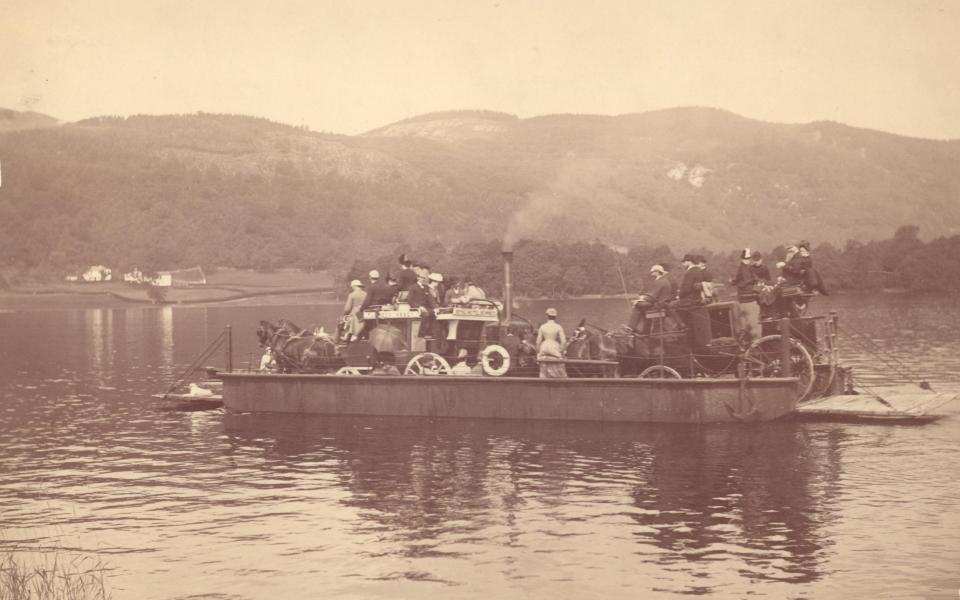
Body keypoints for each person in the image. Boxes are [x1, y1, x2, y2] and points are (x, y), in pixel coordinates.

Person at [626, 264, 673, 333]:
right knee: (642, 306)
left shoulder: (660, 281)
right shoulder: (664, 280)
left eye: (652, 272)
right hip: (662, 304)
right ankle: (645, 331)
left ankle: (631, 327)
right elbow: (653, 295)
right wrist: (643, 299)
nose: (651, 273)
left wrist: (640, 299)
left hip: (658, 306)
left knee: (638, 306)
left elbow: (652, 297)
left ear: (657, 272)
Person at [731, 248, 761, 341]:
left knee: (745, 325)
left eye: (748, 259)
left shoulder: (745, 268)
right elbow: (745, 281)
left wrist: (733, 282)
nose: (747, 260)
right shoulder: (744, 269)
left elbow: (737, 281)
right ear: (742, 259)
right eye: (746, 259)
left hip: (743, 299)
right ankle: (755, 345)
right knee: (753, 327)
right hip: (748, 299)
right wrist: (754, 280)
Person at [536, 307, 567, 378]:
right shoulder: (558, 327)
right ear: (555, 317)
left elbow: (538, 342)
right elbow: (564, 341)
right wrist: (561, 350)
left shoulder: (542, 327)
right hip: (554, 347)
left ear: (546, 316)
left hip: (544, 347)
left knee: (543, 371)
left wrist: (538, 353)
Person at [407, 270, 436, 339]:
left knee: (434, 314)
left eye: (424, 278)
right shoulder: (413, 287)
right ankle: (421, 333)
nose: (423, 279)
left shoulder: (426, 287)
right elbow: (410, 300)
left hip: (426, 307)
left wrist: (434, 307)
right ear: (418, 278)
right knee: (426, 314)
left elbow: (430, 299)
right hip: (416, 307)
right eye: (422, 277)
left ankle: (429, 333)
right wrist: (419, 306)